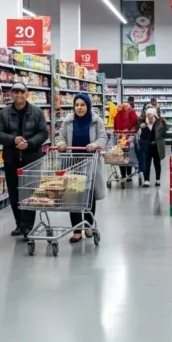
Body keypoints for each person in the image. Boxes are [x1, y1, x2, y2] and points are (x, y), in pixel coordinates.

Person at [0, 82, 49, 237]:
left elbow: (44, 133)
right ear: (11, 94)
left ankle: (27, 226)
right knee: (14, 193)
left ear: (27, 94)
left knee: (29, 192)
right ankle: (19, 224)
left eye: (21, 92)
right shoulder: (5, 113)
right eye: (15, 92)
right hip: (11, 159)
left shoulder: (37, 112)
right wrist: (13, 140)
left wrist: (29, 143)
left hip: (31, 159)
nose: (18, 95)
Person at [54, 92, 108, 243]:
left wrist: (95, 145)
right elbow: (61, 137)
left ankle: (89, 225)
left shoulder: (97, 121)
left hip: (90, 162)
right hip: (72, 162)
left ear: (88, 106)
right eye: (77, 105)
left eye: (82, 105)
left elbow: (103, 137)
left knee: (89, 196)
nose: (79, 108)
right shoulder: (68, 120)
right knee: (73, 195)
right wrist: (61, 144)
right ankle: (77, 230)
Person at [139, 107, 167, 186]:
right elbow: (138, 121)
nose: (150, 118)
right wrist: (141, 125)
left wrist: (157, 139)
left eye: (151, 116)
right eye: (148, 116)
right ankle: (146, 181)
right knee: (146, 163)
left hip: (157, 146)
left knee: (157, 163)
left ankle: (158, 180)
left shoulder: (160, 122)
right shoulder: (143, 122)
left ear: (154, 115)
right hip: (146, 146)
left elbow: (164, 134)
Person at [113, 101, 139, 181]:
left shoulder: (117, 115)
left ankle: (123, 175)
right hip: (128, 138)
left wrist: (118, 132)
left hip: (120, 138)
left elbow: (115, 127)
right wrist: (128, 129)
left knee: (122, 156)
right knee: (129, 155)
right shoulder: (131, 113)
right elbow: (135, 120)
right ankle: (128, 175)